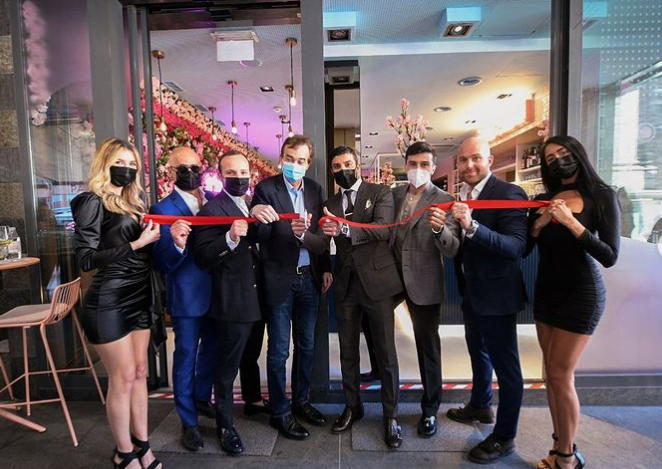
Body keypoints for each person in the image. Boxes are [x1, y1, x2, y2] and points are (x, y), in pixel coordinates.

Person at [526, 136, 620, 469]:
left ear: (578, 154)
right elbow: (526, 249)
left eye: (563, 154)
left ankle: (567, 457)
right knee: (550, 376)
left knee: (561, 373)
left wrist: (571, 222)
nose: (558, 161)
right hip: (547, 292)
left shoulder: (602, 195)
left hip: (581, 294)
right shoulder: (543, 199)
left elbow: (610, 255)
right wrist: (538, 224)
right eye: (550, 158)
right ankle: (559, 444)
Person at [71, 138, 161, 469]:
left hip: (139, 294)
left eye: (132, 164)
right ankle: (123, 452)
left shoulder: (133, 202)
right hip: (108, 300)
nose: (127, 169)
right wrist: (137, 243)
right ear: (105, 164)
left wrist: (154, 239)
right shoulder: (91, 201)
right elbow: (86, 259)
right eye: (120, 162)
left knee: (139, 372)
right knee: (122, 378)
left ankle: (142, 444)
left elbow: (144, 250)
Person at [446, 136, 527, 464]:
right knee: (478, 353)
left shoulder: (509, 194)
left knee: (507, 369)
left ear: (489, 160)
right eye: (463, 160)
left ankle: (505, 437)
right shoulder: (466, 196)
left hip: (498, 296)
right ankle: (480, 405)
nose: (469, 165)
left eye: (475, 158)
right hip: (473, 293)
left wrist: (472, 226)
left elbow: (515, 247)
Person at [250, 135, 333, 440]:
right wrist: (257, 216)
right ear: (281, 158)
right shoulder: (265, 189)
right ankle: (280, 411)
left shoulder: (315, 190)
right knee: (279, 350)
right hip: (279, 279)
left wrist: (325, 267)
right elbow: (257, 236)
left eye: (300, 161)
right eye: (289, 158)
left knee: (307, 346)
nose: (294, 165)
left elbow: (321, 234)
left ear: (308, 164)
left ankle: (301, 401)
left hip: (309, 277)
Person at [320, 145, 403, 449]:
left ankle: (390, 415)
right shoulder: (329, 203)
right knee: (347, 352)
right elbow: (324, 240)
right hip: (346, 285)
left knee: (385, 352)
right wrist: (323, 249)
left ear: (358, 166)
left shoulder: (379, 192)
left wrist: (344, 228)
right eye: (336, 166)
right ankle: (353, 406)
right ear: (332, 171)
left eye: (347, 164)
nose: (342, 170)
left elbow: (383, 229)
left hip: (377, 282)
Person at [193, 151, 265, 456]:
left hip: (258, 298)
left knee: (250, 357)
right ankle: (225, 426)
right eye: (231, 173)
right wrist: (230, 239)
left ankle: (252, 401)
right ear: (220, 176)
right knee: (227, 368)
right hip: (232, 301)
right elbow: (202, 256)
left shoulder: (251, 204)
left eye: (243, 172)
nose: (239, 178)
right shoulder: (211, 210)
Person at [149, 147, 217, 451]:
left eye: (195, 167)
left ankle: (201, 398)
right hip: (186, 295)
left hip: (218, 293)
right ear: (171, 172)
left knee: (212, 351)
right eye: (183, 168)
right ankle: (188, 420)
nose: (191, 173)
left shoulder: (214, 202)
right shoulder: (163, 209)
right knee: (186, 356)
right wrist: (176, 244)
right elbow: (161, 262)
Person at [391, 141, 461, 437]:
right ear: (405, 165)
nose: (417, 169)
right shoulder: (394, 194)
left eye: (423, 165)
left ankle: (430, 409)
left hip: (424, 280)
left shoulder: (445, 200)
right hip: (392, 278)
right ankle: (382, 382)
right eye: (413, 164)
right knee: (372, 324)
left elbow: (452, 248)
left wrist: (438, 228)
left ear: (432, 168)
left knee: (427, 346)